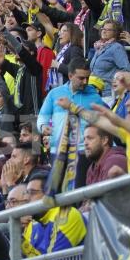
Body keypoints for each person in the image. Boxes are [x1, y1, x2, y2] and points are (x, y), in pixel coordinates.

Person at [37, 58, 107, 186]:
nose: (85, 82)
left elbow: (101, 123)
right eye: (81, 78)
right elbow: (43, 116)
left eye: (87, 77)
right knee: (56, 193)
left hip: (83, 151)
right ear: (70, 76)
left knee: (78, 193)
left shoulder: (95, 98)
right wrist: (43, 126)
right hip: (57, 151)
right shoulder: (54, 93)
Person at [89, 19, 130, 102]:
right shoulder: (99, 47)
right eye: (103, 29)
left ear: (115, 33)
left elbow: (127, 70)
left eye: (108, 30)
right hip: (96, 93)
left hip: (108, 94)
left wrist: (114, 81)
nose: (104, 31)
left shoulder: (116, 47)